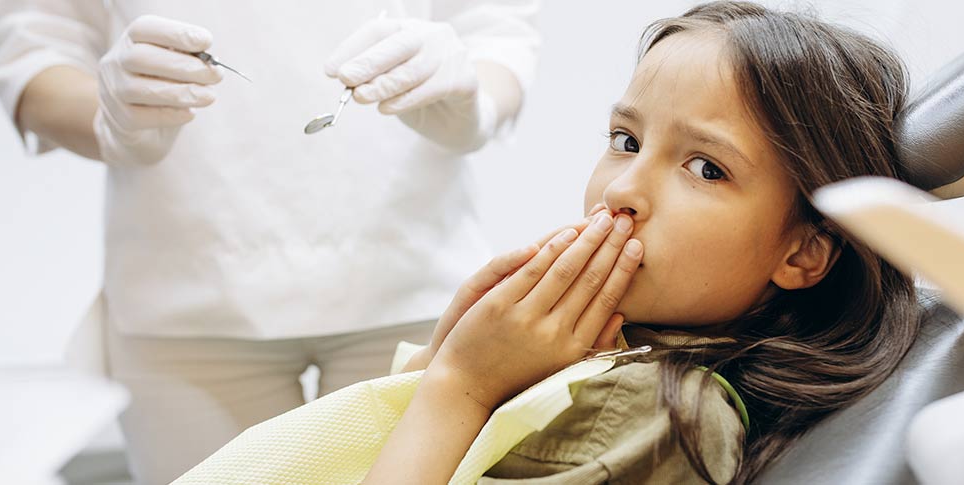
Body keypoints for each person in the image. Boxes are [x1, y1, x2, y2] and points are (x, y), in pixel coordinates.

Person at [0, 1, 538, 483]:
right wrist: (109, 116)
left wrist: (474, 100)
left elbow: (497, 27)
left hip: (413, 279)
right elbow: (34, 47)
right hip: (187, 295)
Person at [367, 2, 922, 484]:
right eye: (626, 141)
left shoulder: (655, 414)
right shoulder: (601, 358)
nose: (621, 190)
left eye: (706, 168)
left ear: (802, 253)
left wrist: (458, 388)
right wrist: (436, 362)